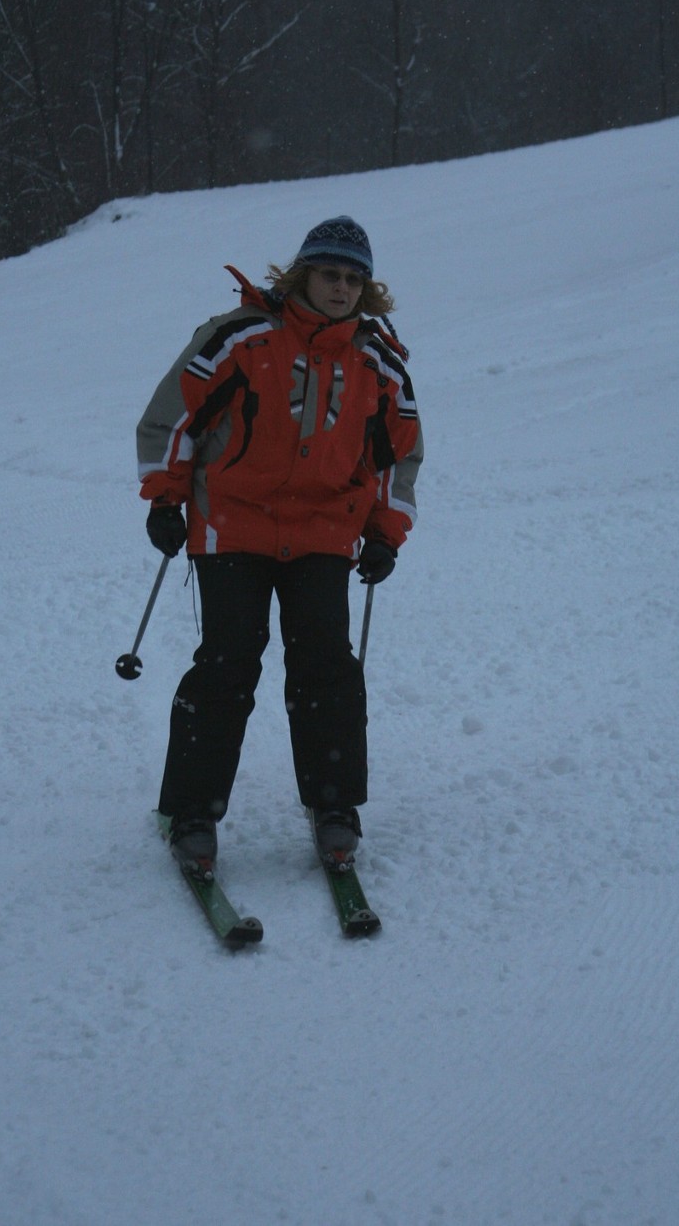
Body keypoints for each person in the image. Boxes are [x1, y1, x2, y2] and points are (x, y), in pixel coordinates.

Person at [135, 215, 422, 876]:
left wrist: (386, 531)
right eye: (330, 274)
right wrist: (165, 497)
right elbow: (173, 415)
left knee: (327, 662)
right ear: (302, 274)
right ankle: (192, 811)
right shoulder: (240, 338)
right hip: (233, 523)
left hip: (325, 531)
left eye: (354, 278)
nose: (341, 288)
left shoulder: (379, 362)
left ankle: (334, 806)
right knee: (228, 660)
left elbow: (400, 457)